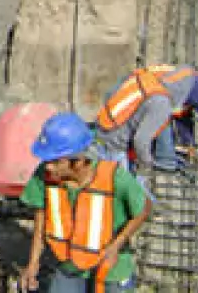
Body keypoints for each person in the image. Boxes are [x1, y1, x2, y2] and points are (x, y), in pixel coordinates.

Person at [19, 112, 152, 293]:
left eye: (56, 162)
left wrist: (116, 245)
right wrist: (33, 263)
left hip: (110, 266)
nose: (48, 166)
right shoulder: (44, 175)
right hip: (70, 263)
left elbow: (144, 208)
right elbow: (40, 218)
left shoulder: (114, 178)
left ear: (78, 162)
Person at [94, 64, 198, 173]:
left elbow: (184, 116)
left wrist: (188, 143)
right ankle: (164, 160)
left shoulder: (183, 78)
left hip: (115, 110)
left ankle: (162, 157)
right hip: (114, 141)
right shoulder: (190, 89)